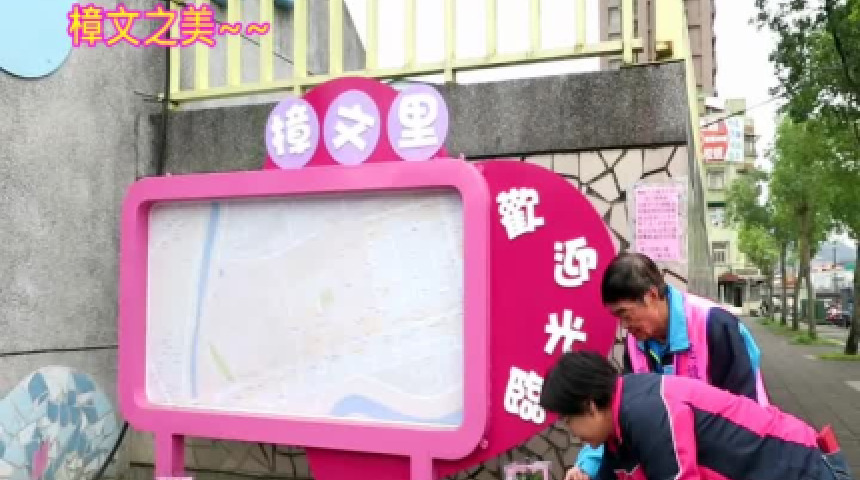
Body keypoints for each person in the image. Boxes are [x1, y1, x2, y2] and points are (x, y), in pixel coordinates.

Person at [572, 253, 769, 480]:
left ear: (651, 295)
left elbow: (748, 410)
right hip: (679, 462)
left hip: (735, 460)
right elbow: (619, 412)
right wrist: (588, 464)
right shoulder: (635, 344)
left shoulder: (714, 324)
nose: (624, 325)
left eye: (625, 314)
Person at [541, 351, 854, 480]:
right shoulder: (620, 421)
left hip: (803, 468)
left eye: (568, 421)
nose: (573, 433)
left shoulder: (647, 411)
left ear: (589, 406)